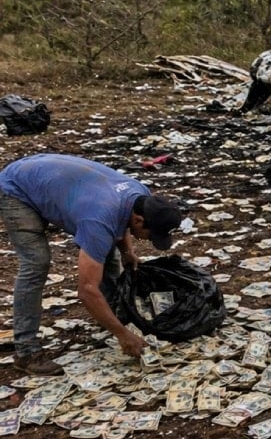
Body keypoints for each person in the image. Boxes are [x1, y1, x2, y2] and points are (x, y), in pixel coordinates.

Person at [0, 154, 183, 375]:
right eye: (149, 234)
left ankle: (111, 316)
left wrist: (127, 251)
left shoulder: (140, 194)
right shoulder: (99, 219)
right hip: (17, 188)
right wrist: (122, 335)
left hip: (48, 175)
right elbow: (86, 290)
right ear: (139, 220)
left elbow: (122, 219)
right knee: (36, 263)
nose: (146, 239)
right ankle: (26, 352)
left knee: (109, 254)